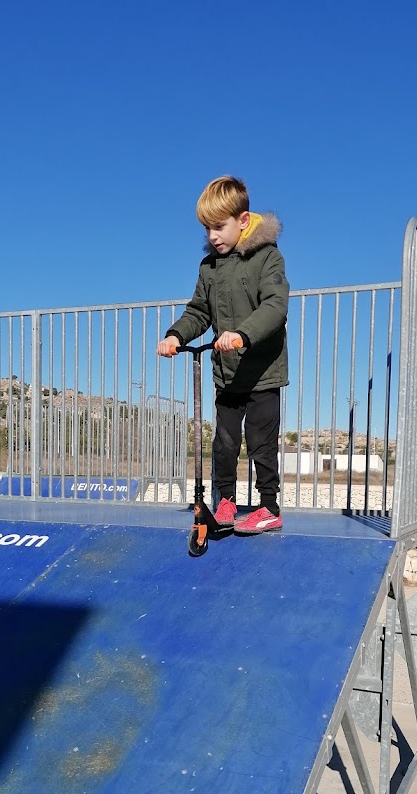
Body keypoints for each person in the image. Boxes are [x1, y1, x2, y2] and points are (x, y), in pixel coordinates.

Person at [157, 175, 289, 535]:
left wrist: (242, 335)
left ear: (242, 221)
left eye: (219, 226)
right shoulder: (209, 268)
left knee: (261, 442)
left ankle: (269, 507)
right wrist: (174, 334)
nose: (212, 236)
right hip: (228, 374)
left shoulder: (267, 257)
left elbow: (275, 306)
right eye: (207, 228)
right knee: (225, 442)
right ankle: (226, 502)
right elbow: (199, 311)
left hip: (262, 371)